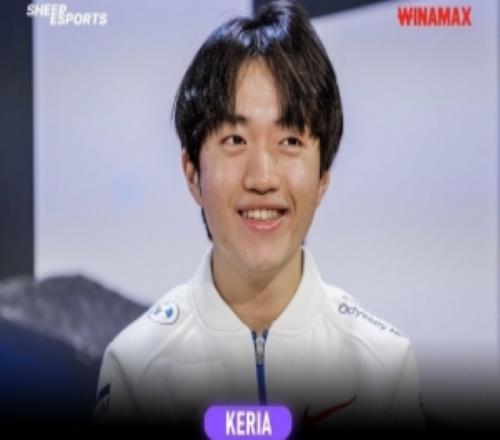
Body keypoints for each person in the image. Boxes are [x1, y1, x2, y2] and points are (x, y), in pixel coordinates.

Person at [94, 0, 425, 433]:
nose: (263, 178)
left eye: (290, 141)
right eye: (235, 139)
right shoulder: (135, 370)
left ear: (323, 176)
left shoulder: (386, 369)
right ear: (192, 173)